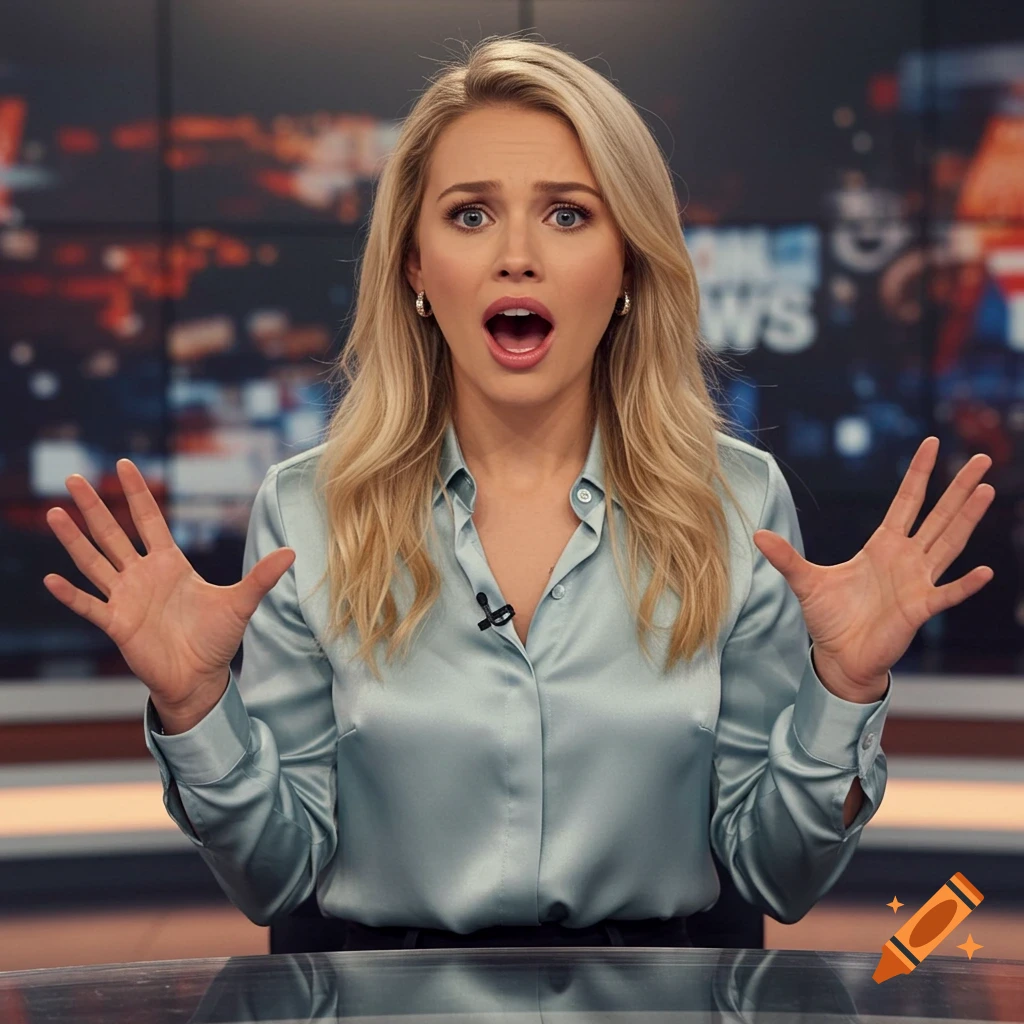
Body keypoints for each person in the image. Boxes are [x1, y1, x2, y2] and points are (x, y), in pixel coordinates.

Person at [42, 35, 994, 954]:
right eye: (470, 215)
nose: (517, 256)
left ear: (627, 263)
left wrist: (846, 689)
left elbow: (781, 877)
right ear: (415, 267)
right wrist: (198, 707)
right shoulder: (307, 513)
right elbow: (275, 879)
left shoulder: (737, 503)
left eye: (569, 214)